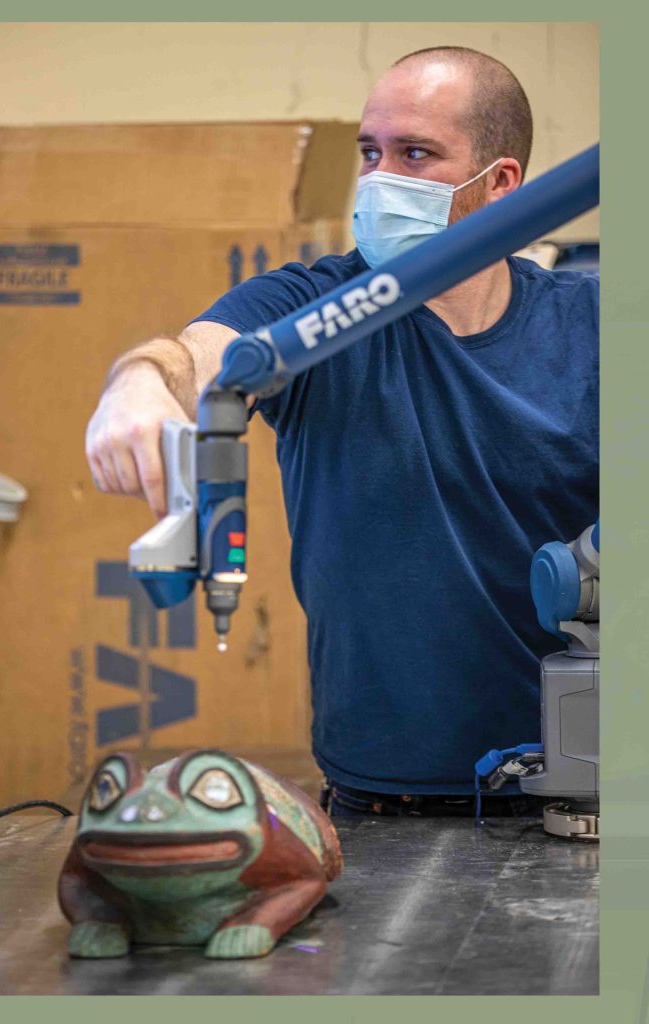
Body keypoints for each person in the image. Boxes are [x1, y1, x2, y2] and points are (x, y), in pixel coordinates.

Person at [85, 47, 598, 819]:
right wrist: (138, 382)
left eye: (415, 154)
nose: (379, 179)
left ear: (501, 186)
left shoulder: (589, 325)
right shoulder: (313, 310)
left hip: (579, 791)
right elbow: (199, 354)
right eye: (369, 152)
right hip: (377, 801)